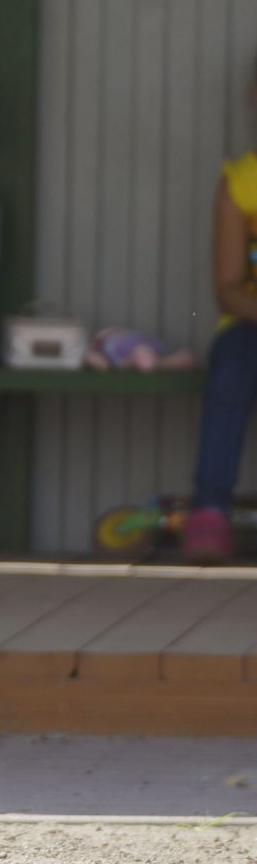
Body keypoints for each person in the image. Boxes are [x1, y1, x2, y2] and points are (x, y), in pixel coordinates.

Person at [183, 59, 257, 562]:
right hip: (250, 323)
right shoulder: (241, 183)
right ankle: (209, 508)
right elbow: (227, 288)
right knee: (231, 369)